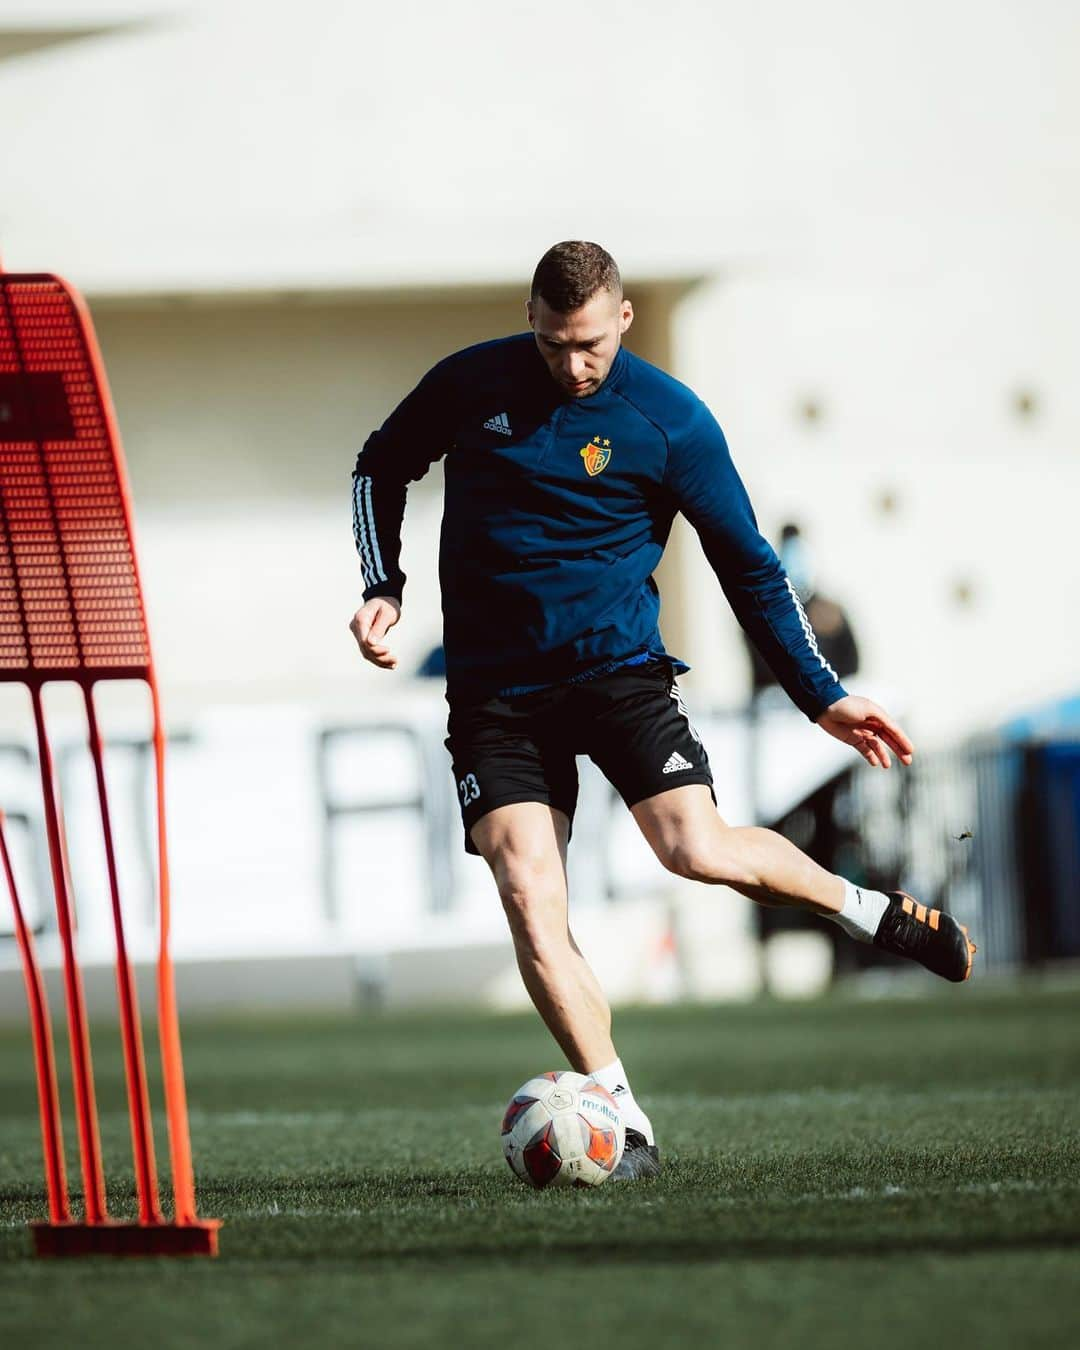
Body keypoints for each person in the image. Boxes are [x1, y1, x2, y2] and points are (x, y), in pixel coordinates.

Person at [348, 242, 976, 1181]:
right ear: (531, 318)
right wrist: (382, 584)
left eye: (590, 344)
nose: (573, 365)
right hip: (494, 697)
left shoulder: (670, 420)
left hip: (618, 675)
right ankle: (624, 1121)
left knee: (696, 849)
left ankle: (869, 912)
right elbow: (378, 467)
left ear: (624, 319)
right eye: (556, 343)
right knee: (529, 894)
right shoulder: (469, 383)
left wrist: (824, 698)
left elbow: (750, 567)